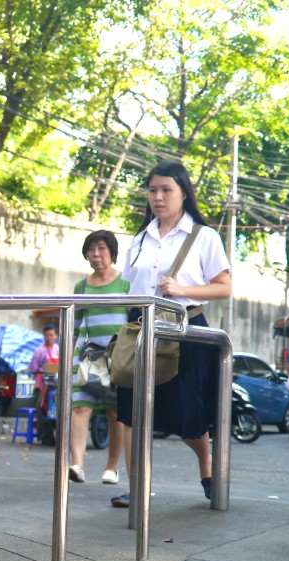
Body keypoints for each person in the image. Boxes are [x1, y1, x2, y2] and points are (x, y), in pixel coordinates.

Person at [111, 160, 231, 508]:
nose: (158, 197)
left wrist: (182, 288)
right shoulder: (140, 239)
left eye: (166, 190)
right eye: (153, 190)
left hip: (185, 332)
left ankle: (208, 469)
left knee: (188, 417)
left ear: (183, 194)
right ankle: (137, 489)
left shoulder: (203, 236)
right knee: (131, 412)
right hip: (141, 330)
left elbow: (224, 287)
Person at [69, 230, 129, 484]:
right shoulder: (81, 287)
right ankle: (77, 464)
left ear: (112, 253)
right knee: (80, 407)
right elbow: (74, 327)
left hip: (118, 357)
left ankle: (111, 467)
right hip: (88, 356)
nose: (96, 254)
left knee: (115, 413)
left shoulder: (126, 284)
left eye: (102, 248)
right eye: (91, 249)